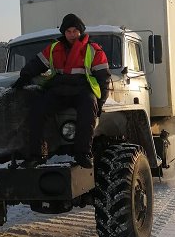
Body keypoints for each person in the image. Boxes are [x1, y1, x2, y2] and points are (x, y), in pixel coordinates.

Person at [12, 13, 111, 168]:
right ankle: (37, 155)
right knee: (37, 111)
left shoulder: (93, 50)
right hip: (58, 91)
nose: (72, 35)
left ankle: (83, 153)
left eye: (75, 31)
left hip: (82, 91)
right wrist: (25, 76)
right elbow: (36, 63)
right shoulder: (53, 49)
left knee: (88, 110)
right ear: (64, 33)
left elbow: (103, 77)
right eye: (68, 31)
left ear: (81, 32)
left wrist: (101, 102)